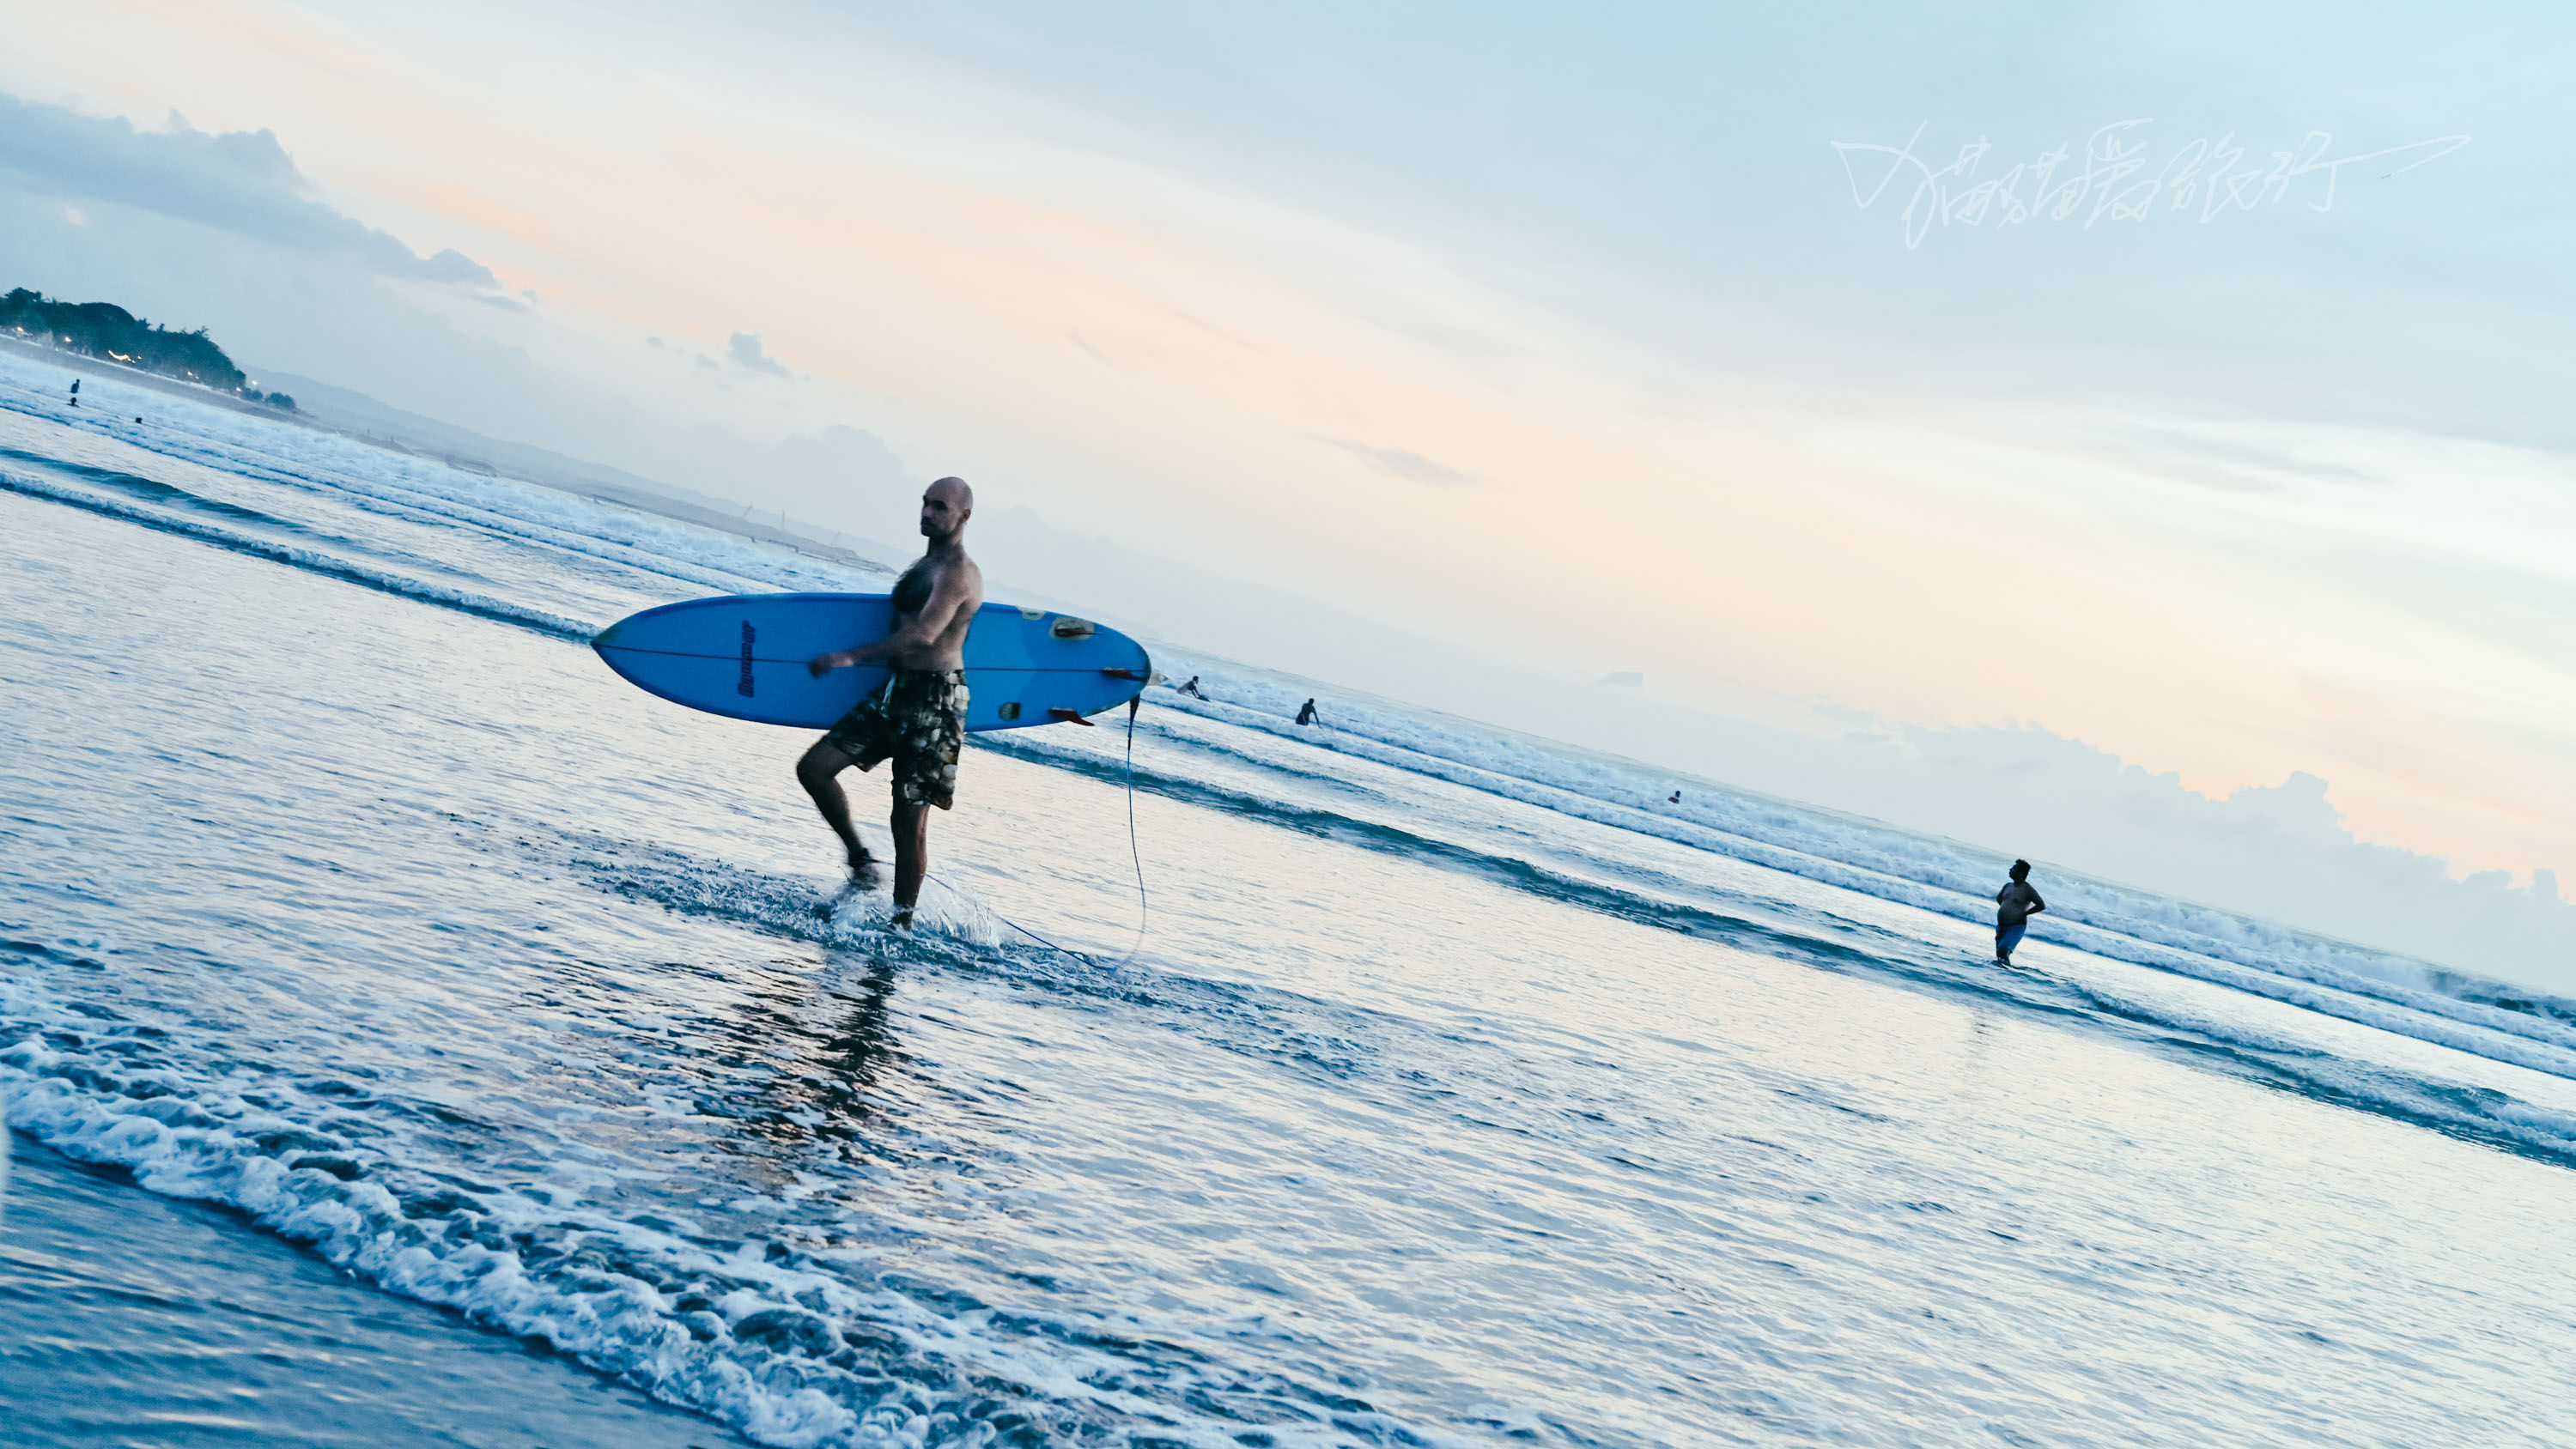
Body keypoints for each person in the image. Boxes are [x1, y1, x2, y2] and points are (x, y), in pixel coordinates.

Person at [799, 476, 984, 929]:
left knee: (908, 819)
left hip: (936, 701)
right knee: (815, 768)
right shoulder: (924, 566)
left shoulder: (958, 573)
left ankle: (900, 924)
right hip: (894, 691)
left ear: (964, 516)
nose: (926, 513)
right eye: (924, 504)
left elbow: (923, 634)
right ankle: (862, 862)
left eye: (939, 507)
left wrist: (849, 656)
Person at [1994, 859, 2045, 964]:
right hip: (2002, 926)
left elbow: (2041, 905)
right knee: (1999, 954)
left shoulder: (2028, 890)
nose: (2010, 869)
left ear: (2020, 872)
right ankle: (2001, 975)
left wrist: (2024, 913)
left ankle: (2008, 973)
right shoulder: (2008, 886)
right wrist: (2006, 909)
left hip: (2016, 927)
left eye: (2013, 868)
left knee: (2003, 951)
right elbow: (1999, 898)